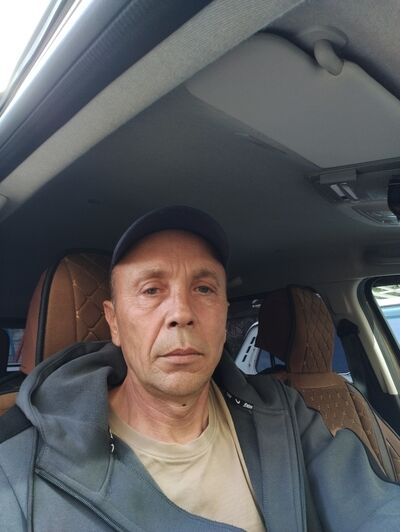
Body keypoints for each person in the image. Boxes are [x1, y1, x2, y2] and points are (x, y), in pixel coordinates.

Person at [0, 205, 399, 532]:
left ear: (223, 316)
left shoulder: (283, 413)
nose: (181, 312)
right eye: (151, 290)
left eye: (204, 289)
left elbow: (372, 508)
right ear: (114, 322)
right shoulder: (20, 470)